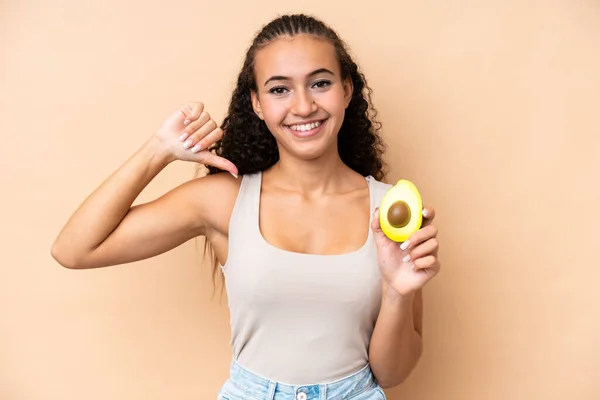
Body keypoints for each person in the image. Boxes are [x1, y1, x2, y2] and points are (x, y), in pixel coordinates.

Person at [51, 13, 441, 400]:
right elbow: (74, 249)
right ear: (256, 103)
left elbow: (392, 375)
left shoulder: (392, 211)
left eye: (320, 83)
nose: (303, 106)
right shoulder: (225, 201)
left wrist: (396, 293)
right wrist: (159, 150)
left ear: (347, 89)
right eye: (279, 90)